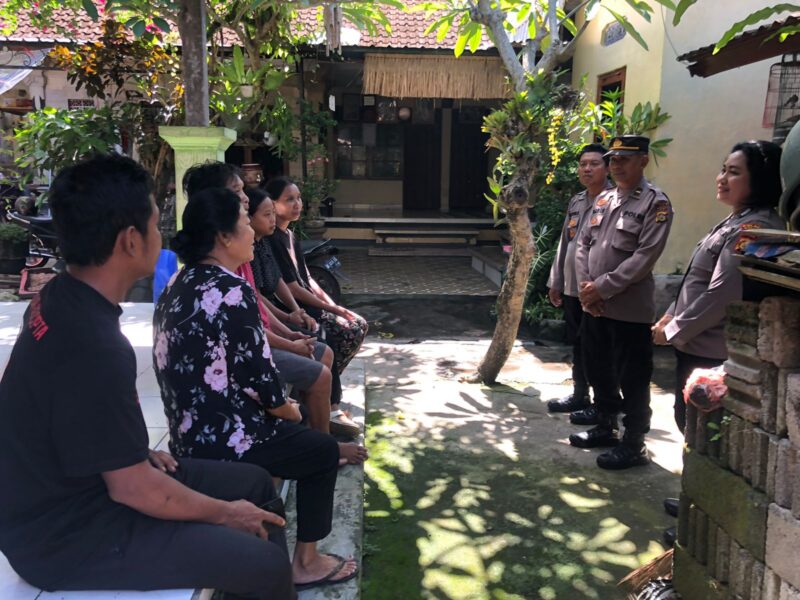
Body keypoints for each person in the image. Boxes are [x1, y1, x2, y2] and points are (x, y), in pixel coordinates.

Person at [0, 154, 295, 599]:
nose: (164, 236)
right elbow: (134, 489)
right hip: (67, 536)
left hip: (90, 483)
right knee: (264, 562)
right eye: (157, 224)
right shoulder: (95, 344)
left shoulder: (60, 295)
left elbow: (68, 409)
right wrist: (225, 513)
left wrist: (127, 451)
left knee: (252, 482)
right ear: (131, 241)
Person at [153, 187, 359, 590]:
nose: (252, 231)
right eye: (245, 222)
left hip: (187, 433)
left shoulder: (180, 280)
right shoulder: (231, 290)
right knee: (320, 450)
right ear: (223, 237)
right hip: (226, 438)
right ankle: (306, 562)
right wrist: (290, 411)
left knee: (297, 428)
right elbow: (263, 382)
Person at [651, 141, 785, 546]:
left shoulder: (753, 228)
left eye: (734, 172)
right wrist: (669, 315)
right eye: (723, 169)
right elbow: (695, 281)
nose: (722, 178)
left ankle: (702, 518)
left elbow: (722, 294)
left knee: (710, 439)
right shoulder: (735, 220)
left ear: (759, 180)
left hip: (710, 349)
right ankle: (693, 498)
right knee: (691, 427)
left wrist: (674, 329)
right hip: (696, 343)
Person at [183, 163, 365, 457]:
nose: (245, 199)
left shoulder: (209, 273)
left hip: (225, 396)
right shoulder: (224, 284)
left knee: (319, 350)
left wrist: (291, 327)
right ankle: (321, 446)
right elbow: (254, 360)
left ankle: (319, 431)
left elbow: (258, 308)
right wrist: (288, 408)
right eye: (238, 194)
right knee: (316, 370)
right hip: (222, 426)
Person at [570, 135, 674, 470]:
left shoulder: (655, 204)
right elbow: (583, 244)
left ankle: (634, 443)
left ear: (643, 160)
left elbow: (644, 257)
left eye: (624, 159)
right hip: (595, 307)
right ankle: (605, 426)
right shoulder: (604, 200)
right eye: (613, 159)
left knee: (633, 378)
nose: (616, 165)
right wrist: (587, 289)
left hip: (628, 310)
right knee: (598, 368)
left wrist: (600, 288)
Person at [247, 186, 360, 439]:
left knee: (325, 338)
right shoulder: (244, 257)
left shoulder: (269, 242)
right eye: (266, 214)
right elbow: (256, 309)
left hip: (279, 317)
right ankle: (319, 417)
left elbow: (285, 281)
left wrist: (302, 314)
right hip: (266, 332)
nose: (297, 204)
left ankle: (322, 413)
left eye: (299, 198)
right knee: (320, 337)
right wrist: (290, 333)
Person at [264, 176, 368, 375]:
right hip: (295, 306)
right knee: (348, 332)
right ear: (273, 204)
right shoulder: (272, 240)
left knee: (360, 324)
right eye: (289, 199)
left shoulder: (290, 235)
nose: (297, 204)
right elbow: (292, 288)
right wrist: (331, 309)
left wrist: (334, 306)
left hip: (309, 301)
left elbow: (308, 279)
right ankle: (326, 379)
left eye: (298, 198)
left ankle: (330, 377)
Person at [547, 143, 611, 424]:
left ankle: (602, 403)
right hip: (572, 287)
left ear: (607, 168)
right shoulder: (577, 201)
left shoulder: (614, 202)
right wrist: (556, 281)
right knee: (578, 343)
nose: (587, 169)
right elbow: (565, 242)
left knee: (598, 346)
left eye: (594, 164)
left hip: (595, 290)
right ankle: (580, 394)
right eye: (583, 164)